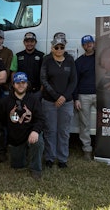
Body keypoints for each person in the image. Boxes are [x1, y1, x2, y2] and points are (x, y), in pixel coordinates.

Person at [0, 72, 45, 180]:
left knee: (38, 142)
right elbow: (0, 121)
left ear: (27, 84)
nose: (21, 85)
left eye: (23, 82)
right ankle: (21, 153)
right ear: (13, 84)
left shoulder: (34, 100)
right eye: (18, 83)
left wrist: (35, 131)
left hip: (30, 134)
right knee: (17, 166)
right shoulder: (5, 101)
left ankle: (35, 169)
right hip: (15, 138)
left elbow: (40, 119)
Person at [41, 35, 77, 168]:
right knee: (50, 130)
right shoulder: (47, 60)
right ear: (52, 47)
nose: (59, 49)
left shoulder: (70, 60)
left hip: (66, 102)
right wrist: (56, 96)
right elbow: (43, 79)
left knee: (64, 131)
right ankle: (50, 157)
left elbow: (73, 81)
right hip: (49, 101)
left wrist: (64, 97)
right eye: (57, 47)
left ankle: (62, 159)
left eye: (62, 46)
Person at [73, 35, 96, 161]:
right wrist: (76, 98)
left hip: (100, 94)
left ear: (94, 43)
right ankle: (87, 150)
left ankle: (104, 148)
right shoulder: (79, 62)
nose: (89, 45)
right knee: (84, 124)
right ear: (83, 46)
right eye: (86, 43)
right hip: (83, 96)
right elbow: (75, 82)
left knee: (105, 121)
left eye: (90, 42)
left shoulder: (100, 58)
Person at [10, 32, 44, 99]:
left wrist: (42, 89)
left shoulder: (42, 55)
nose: (29, 44)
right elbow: (13, 72)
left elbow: (44, 74)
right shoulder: (17, 56)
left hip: (36, 91)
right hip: (21, 91)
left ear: (35, 42)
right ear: (24, 42)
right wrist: (14, 87)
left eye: (32, 41)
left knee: (35, 109)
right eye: (27, 42)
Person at [0, 29, 13, 95]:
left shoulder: (8, 52)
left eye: (0, 38)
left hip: (4, 85)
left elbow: (8, 69)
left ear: (3, 40)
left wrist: (0, 80)